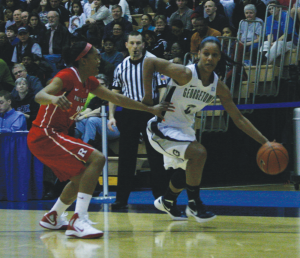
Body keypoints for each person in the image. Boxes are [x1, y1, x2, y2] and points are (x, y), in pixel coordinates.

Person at [27, 41, 173, 238]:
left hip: (54, 135)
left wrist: (149, 109)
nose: (100, 59)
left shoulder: (89, 81)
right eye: (96, 55)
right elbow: (39, 95)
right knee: (97, 159)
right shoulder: (67, 75)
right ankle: (78, 219)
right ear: (83, 60)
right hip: (45, 134)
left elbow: (118, 99)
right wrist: (53, 99)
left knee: (80, 179)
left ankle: (53, 216)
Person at [142, 36, 269, 222]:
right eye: (206, 54)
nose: (210, 58)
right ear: (198, 54)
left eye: (214, 55)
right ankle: (194, 204)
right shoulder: (185, 73)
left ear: (219, 58)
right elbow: (149, 62)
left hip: (184, 129)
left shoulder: (218, 86)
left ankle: (167, 201)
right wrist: (148, 99)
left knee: (189, 169)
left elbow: (239, 119)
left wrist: (265, 142)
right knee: (199, 154)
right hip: (162, 127)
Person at [108, 31, 171, 210]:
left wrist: (161, 110)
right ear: (126, 45)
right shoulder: (121, 67)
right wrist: (112, 116)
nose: (135, 46)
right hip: (129, 113)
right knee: (126, 157)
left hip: (149, 112)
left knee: (155, 156)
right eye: (132, 43)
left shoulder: (153, 62)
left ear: (144, 45)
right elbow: (114, 94)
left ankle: (161, 198)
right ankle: (121, 199)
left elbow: (162, 88)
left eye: (138, 43)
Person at [74, 74, 120, 145]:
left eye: (101, 84)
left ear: (107, 86)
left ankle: (87, 147)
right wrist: (78, 115)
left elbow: (100, 111)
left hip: (114, 128)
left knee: (92, 120)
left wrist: (84, 116)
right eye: (97, 85)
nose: (99, 87)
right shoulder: (95, 99)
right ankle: (77, 144)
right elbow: (88, 110)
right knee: (80, 120)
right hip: (98, 128)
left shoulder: (111, 98)